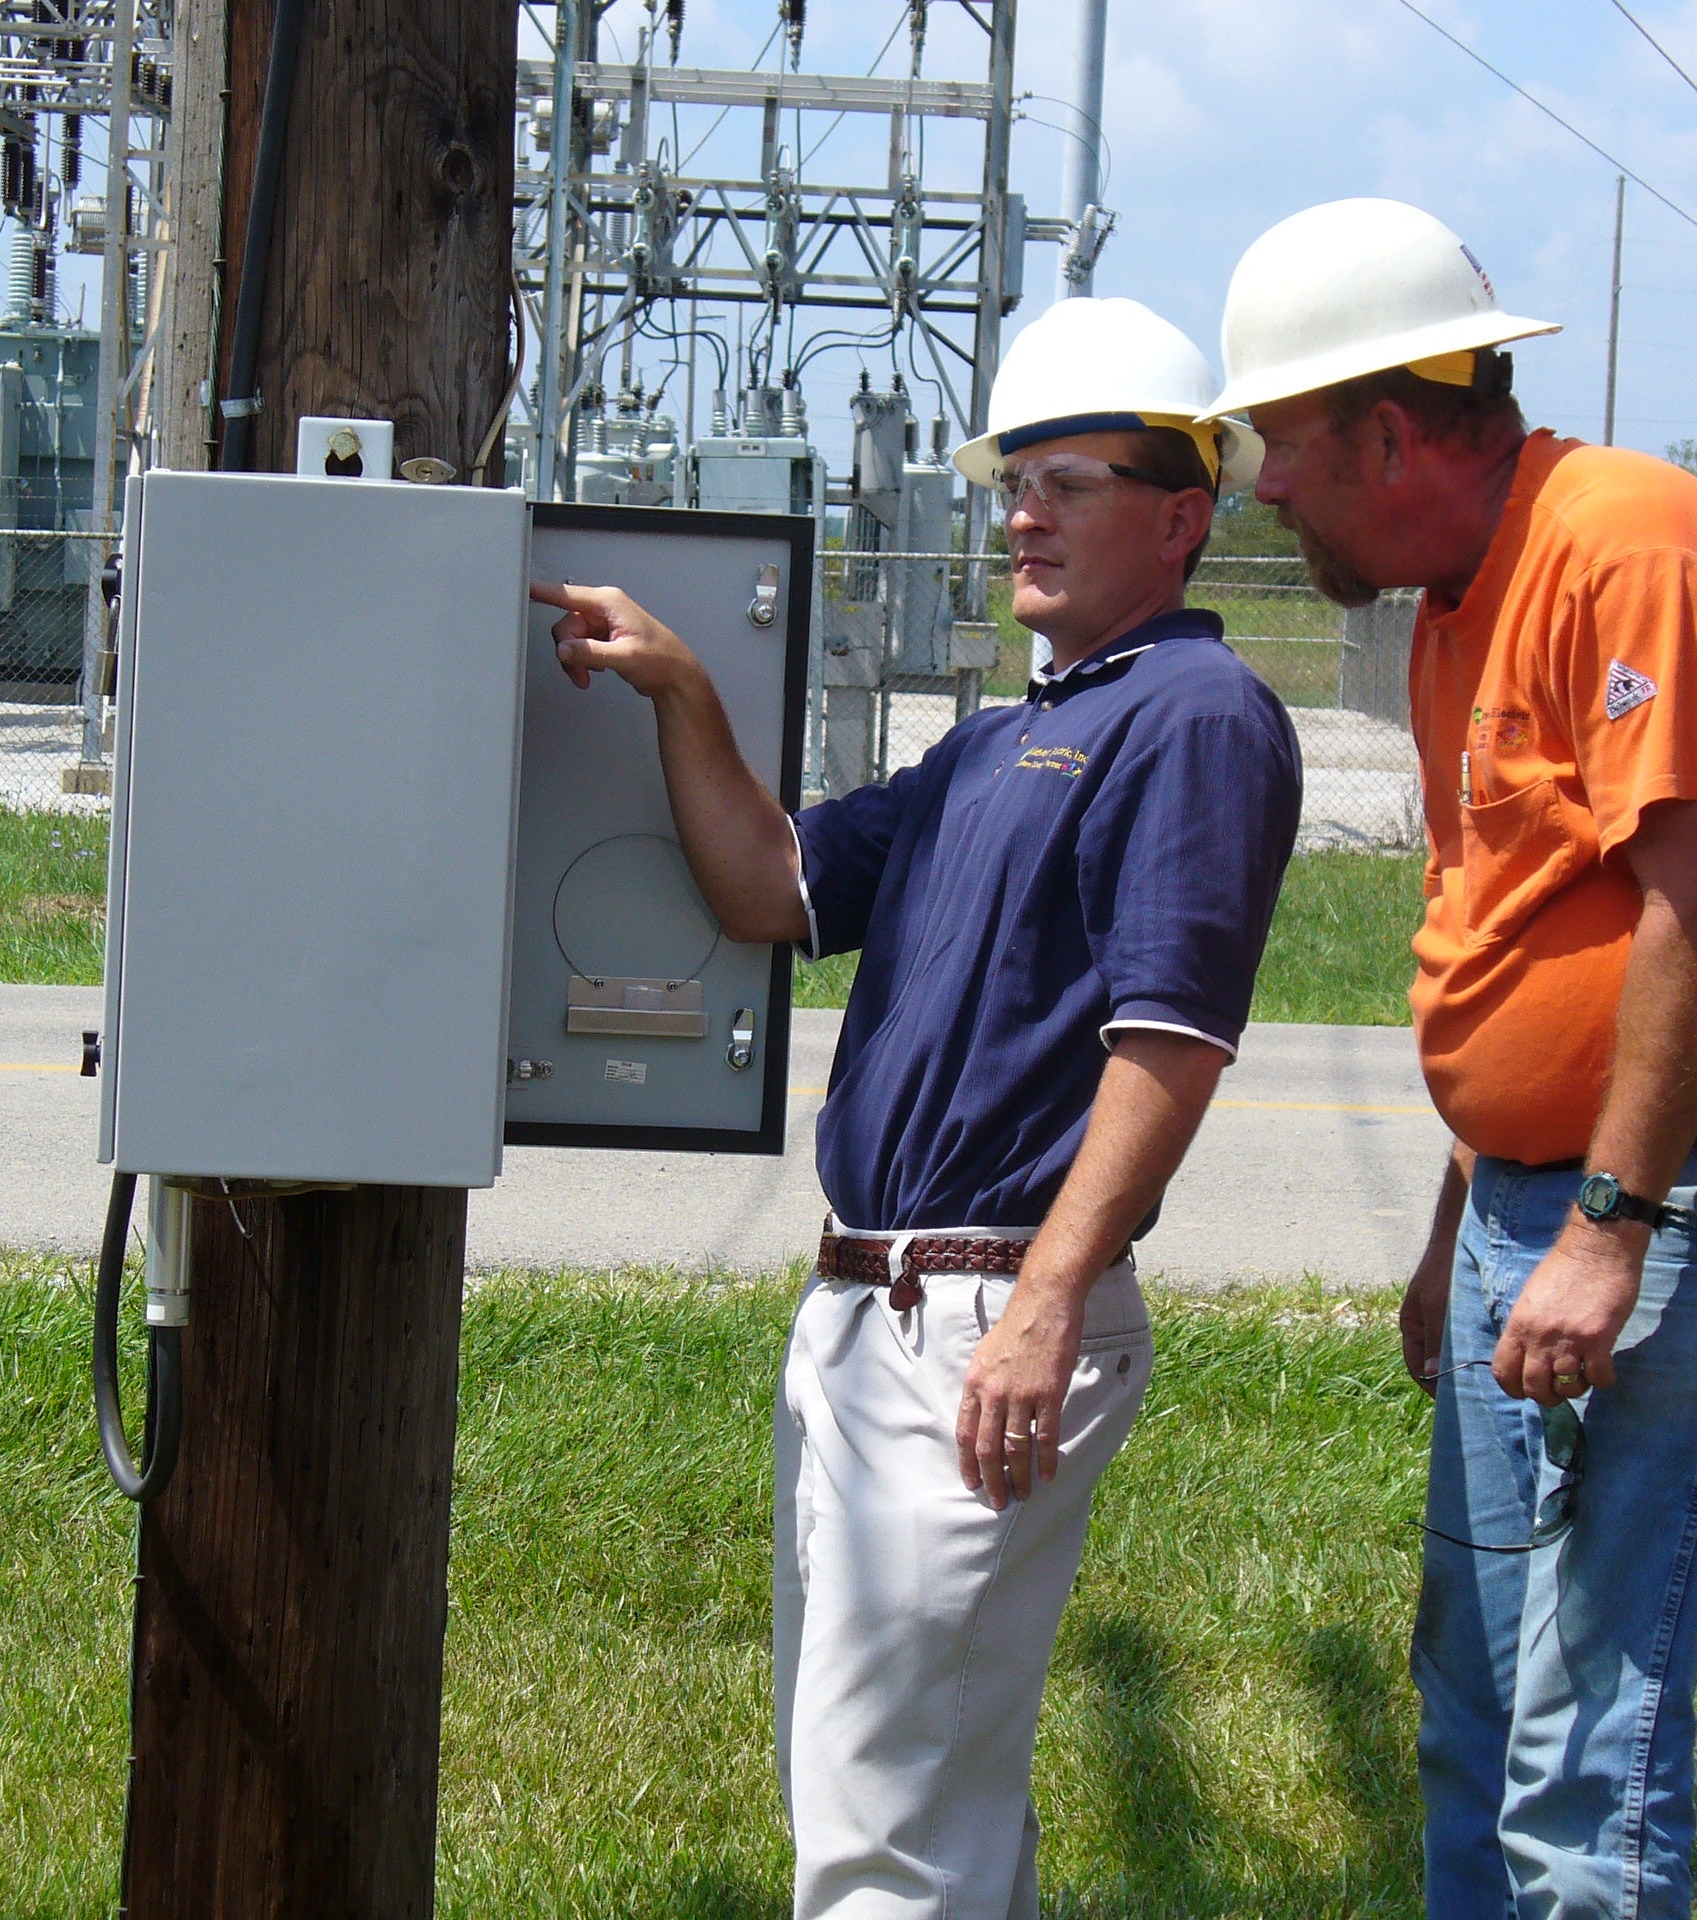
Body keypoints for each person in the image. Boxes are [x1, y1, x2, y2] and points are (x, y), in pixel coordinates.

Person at [529, 295, 1302, 1919]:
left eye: (1070, 481)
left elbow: (1171, 1046)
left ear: (1183, 516)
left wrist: (1044, 1306)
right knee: (910, 1796)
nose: (1023, 510)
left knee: (886, 1833)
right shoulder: (1005, 733)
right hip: (873, 1310)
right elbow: (771, 885)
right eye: (1014, 478)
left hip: (981, 1311)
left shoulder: (1192, 717)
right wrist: (681, 690)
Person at [1206, 198, 1697, 1920]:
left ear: (1391, 432)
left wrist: (1607, 1223)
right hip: (1543, 1209)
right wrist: (1466, 1227)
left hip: (1684, 1207)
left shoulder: (1629, 541)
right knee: (1483, 1706)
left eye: (1283, 443)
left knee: (1590, 1747)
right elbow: (1510, 937)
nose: (1264, 485)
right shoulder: (1451, 608)